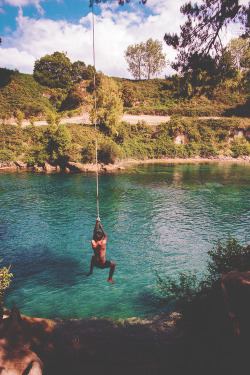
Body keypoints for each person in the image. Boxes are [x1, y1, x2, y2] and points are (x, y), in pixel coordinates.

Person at [86, 217, 116, 284]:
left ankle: (91, 271)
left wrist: (96, 222)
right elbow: (106, 236)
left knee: (93, 256)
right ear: (102, 237)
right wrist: (101, 228)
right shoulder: (102, 243)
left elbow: (94, 233)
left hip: (96, 263)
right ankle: (110, 279)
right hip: (102, 264)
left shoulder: (93, 242)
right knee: (113, 264)